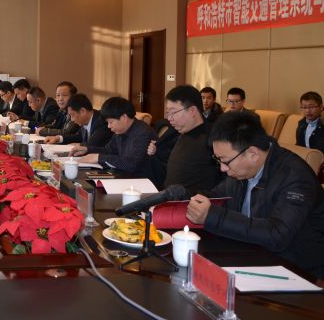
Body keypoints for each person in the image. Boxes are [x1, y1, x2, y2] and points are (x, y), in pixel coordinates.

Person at [186, 111, 324, 280]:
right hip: (251, 256)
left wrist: (213, 216)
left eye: (225, 161)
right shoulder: (241, 171)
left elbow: (277, 235)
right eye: (218, 160)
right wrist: (182, 195)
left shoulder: (295, 177)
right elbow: (217, 197)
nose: (222, 168)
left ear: (253, 154)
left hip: (295, 271)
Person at [151, 85, 221, 193]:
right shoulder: (179, 133)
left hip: (193, 200)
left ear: (192, 110)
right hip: (168, 196)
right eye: (168, 113)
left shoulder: (212, 140)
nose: (169, 118)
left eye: (173, 112)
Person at [73, 97, 156, 179]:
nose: (109, 126)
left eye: (111, 122)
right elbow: (108, 150)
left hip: (142, 181)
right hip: (124, 175)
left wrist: (99, 157)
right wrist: (87, 149)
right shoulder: (120, 130)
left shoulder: (142, 133)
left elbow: (131, 164)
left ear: (124, 117)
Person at [45, 93, 111, 147]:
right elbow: (79, 136)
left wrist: (79, 145)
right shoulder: (85, 121)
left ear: (82, 111)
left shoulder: (101, 121)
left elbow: (93, 144)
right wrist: (58, 138)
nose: (72, 119)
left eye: (72, 115)